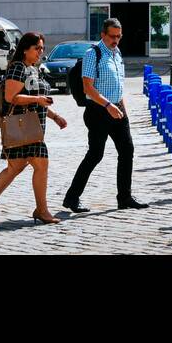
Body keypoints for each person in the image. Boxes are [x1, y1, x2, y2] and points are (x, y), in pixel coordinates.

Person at [0, 32, 67, 225]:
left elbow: (38, 101)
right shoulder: (17, 68)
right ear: (25, 50)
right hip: (20, 127)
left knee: (14, 168)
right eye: (37, 48)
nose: (41, 51)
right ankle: (42, 210)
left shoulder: (33, 68)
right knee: (40, 164)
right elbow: (11, 97)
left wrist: (55, 116)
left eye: (42, 48)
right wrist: (37, 99)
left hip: (32, 128)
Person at [63, 19, 148, 213]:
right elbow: (88, 88)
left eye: (119, 36)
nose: (116, 40)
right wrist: (108, 105)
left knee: (127, 151)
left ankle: (124, 197)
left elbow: (118, 88)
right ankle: (72, 197)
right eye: (112, 36)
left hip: (117, 110)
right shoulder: (93, 54)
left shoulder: (117, 54)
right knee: (95, 154)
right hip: (98, 111)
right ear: (103, 35)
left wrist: (123, 112)